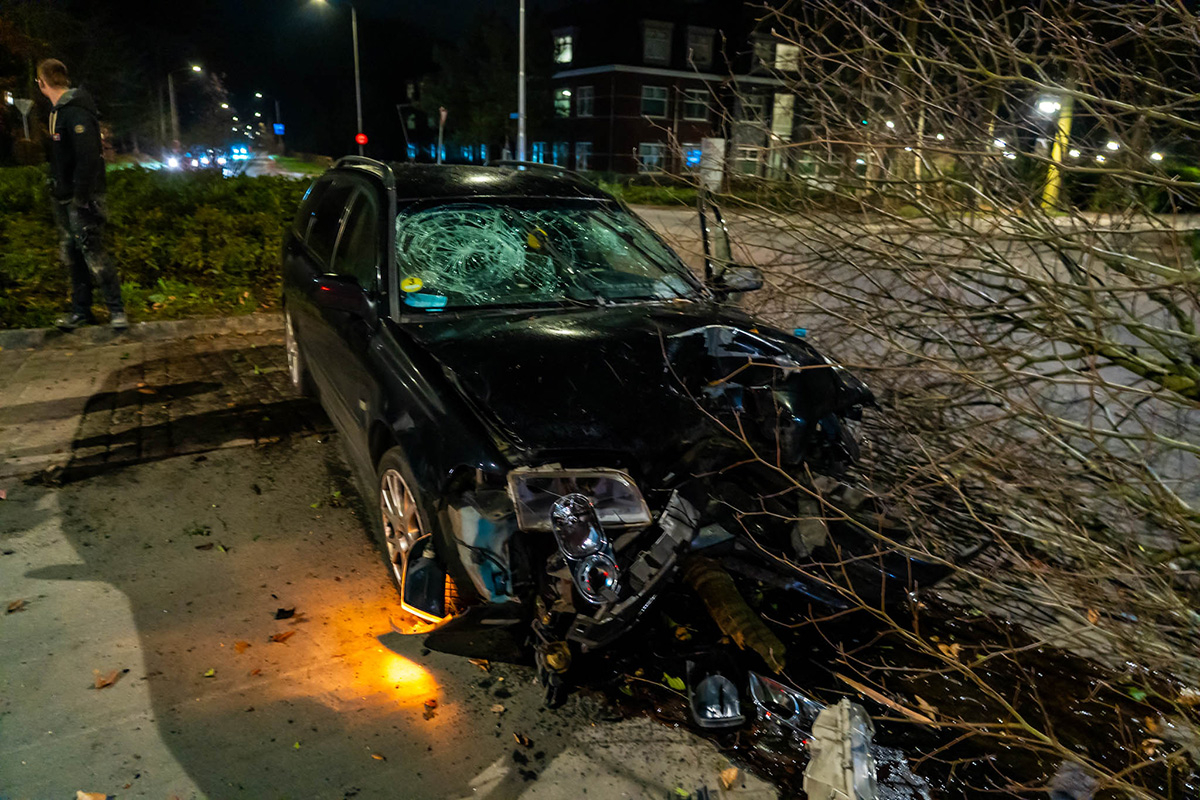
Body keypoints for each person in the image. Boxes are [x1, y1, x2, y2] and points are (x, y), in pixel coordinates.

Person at [36, 58, 127, 331]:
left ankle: (116, 311)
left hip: (82, 197)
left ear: (42, 83)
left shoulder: (75, 112)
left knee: (93, 251)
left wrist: (81, 197)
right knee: (73, 254)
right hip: (64, 196)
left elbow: (87, 157)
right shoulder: (58, 112)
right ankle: (81, 311)